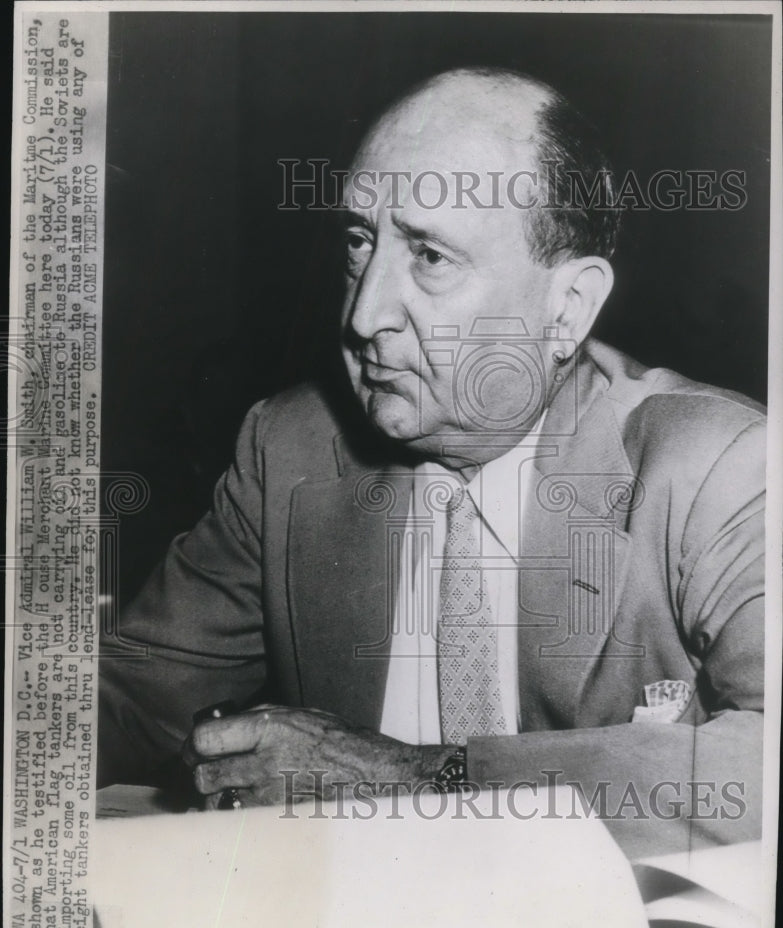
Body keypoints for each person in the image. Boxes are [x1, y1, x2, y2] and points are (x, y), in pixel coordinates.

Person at [99, 67, 765, 858]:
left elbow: (768, 769)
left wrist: (416, 780)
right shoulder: (290, 449)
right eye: (358, 241)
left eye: (430, 256)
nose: (364, 313)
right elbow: (128, 704)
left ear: (568, 308)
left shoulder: (718, 466)